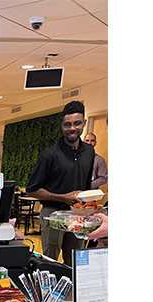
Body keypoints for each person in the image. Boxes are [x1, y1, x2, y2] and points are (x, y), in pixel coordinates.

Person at [25, 100, 95, 266]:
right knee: (50, 262)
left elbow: (85, 185)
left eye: (77, 123)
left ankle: (74, 292)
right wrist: (62, 197)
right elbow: (31, 189)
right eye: (67, 124)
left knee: (76, 260)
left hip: (77, 215)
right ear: (62, 126)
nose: (72, 128)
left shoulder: (89, 152)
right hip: (52, 215)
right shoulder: (50, 155)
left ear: (84, 123)